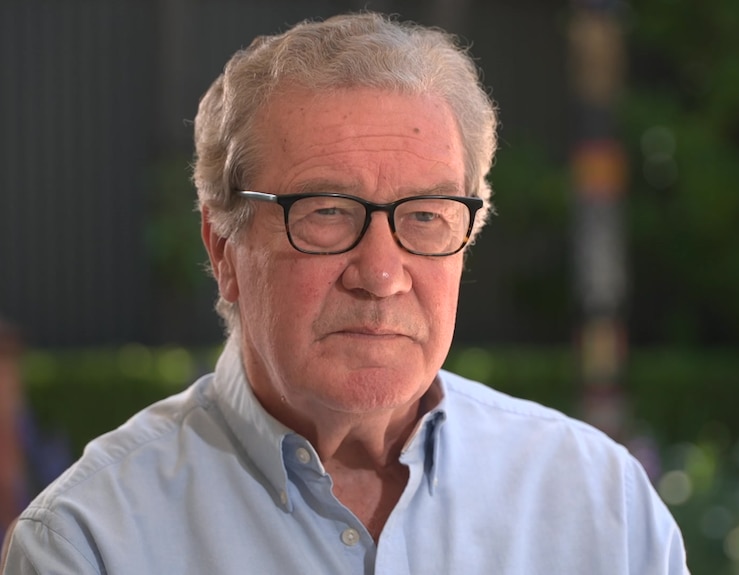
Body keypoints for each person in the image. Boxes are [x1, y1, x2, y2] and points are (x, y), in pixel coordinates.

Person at [2, 12, 689, 574]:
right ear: (223, 248)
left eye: (425, 215)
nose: (381, 274)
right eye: (327, 212)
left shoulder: (602, 505)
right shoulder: (90, 543)